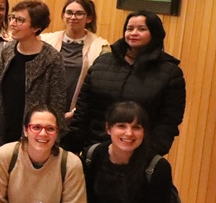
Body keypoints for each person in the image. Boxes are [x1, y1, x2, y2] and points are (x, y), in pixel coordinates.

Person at [69, 11, 185, 156]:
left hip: (140, 154)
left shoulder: (170, 72)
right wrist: (72, 147)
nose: (134, 33)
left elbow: (169, 121)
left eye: (142, 29)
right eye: (129, 29)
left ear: (155, 33)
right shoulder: (102, 62)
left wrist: (152, 152)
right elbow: (83, 109)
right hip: (95, 150)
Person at [0, 0, 67, 144]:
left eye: (20, 20)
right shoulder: (7, 51)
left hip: (36, 132)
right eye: (12, 18)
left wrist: (53, 139)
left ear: (36, 27)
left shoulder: (52, 58)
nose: (12, 24)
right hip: (6, 125)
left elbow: (57, 103)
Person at [41, 0, 110, 122]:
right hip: (45, 112)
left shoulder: (101, 46)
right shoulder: (45, 40)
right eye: (69, 12)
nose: (73, 17)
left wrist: (75, 112)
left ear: (89, 18)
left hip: (80, 114)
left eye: (79, 13)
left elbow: (99, 86)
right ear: (63, 16)